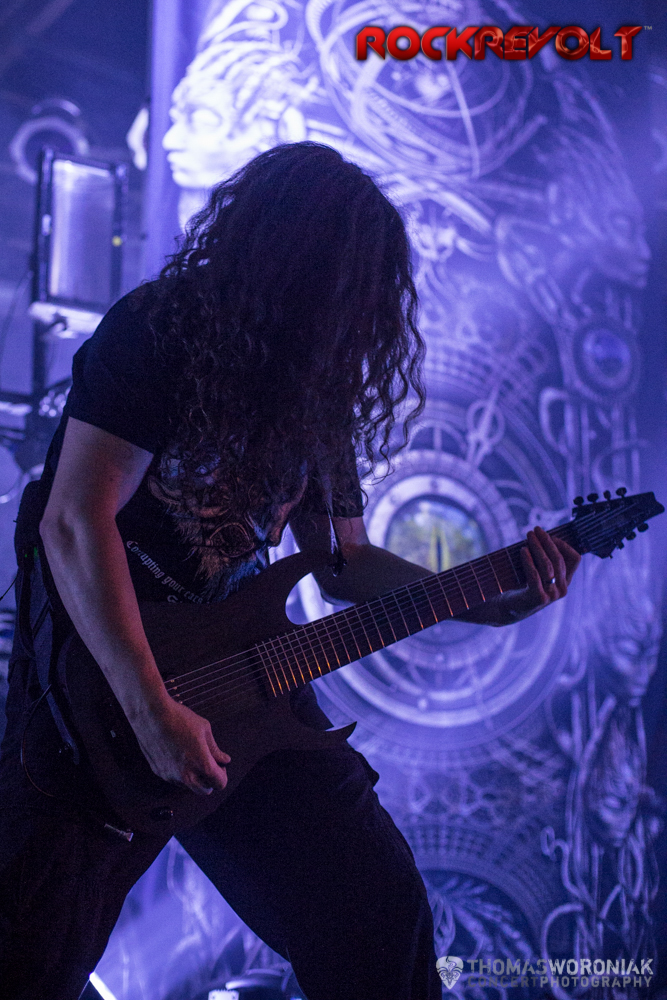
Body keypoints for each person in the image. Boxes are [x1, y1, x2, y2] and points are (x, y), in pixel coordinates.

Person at [0, 142, 580, 1000]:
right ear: (291, 261)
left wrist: (490, 602)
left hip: (243, 684)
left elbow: (343, 564)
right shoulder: (159, 331)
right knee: (27, 961)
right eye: (349, 285)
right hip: (97, 692)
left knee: (376, 918)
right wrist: (151, 710)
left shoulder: (315, 391)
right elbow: (75, 522)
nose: (359, 314)